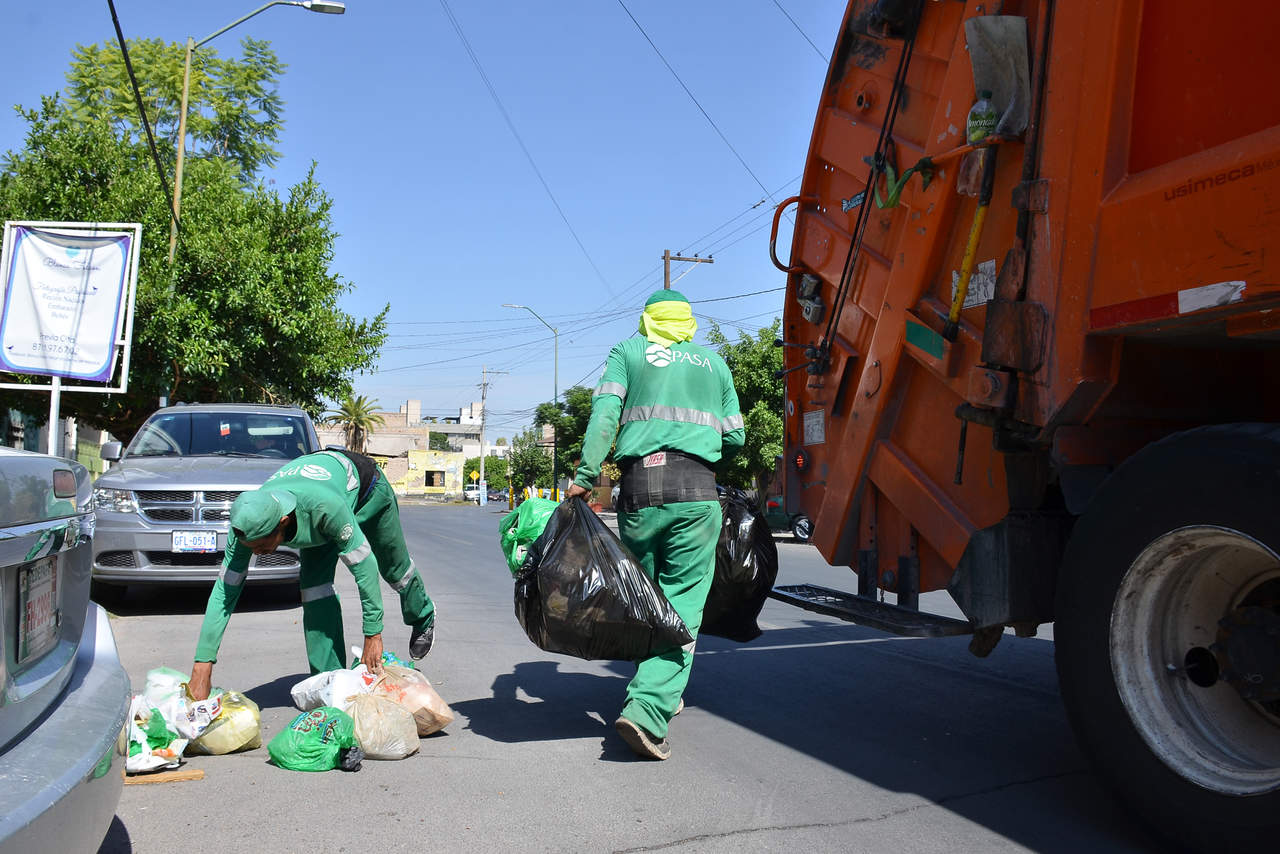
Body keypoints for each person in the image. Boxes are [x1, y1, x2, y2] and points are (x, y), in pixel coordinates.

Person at [567, 289, 744, 760]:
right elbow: (735, 437)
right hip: (696, 493)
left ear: (647, 319)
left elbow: (605, 414)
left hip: (639, 494)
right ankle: (648, 709)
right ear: (688, 321)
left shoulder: (627, 352)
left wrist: (586, 476)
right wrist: (699, 450)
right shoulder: (714, 364)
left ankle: (657, 688)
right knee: (681, 604)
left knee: (646, 601)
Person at [187, 448, 437, 700]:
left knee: (395, 569)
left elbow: (365, 567)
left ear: (283, 522)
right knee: (315, 590)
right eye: (251, 548)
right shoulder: (247, 525)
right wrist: (202, 664)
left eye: (262, 545)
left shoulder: (323, 508)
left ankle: (423, 615)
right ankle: (330, 682)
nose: (257, 553)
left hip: (368, 493)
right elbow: (224, 592)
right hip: (319, 504)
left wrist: (373, 633)